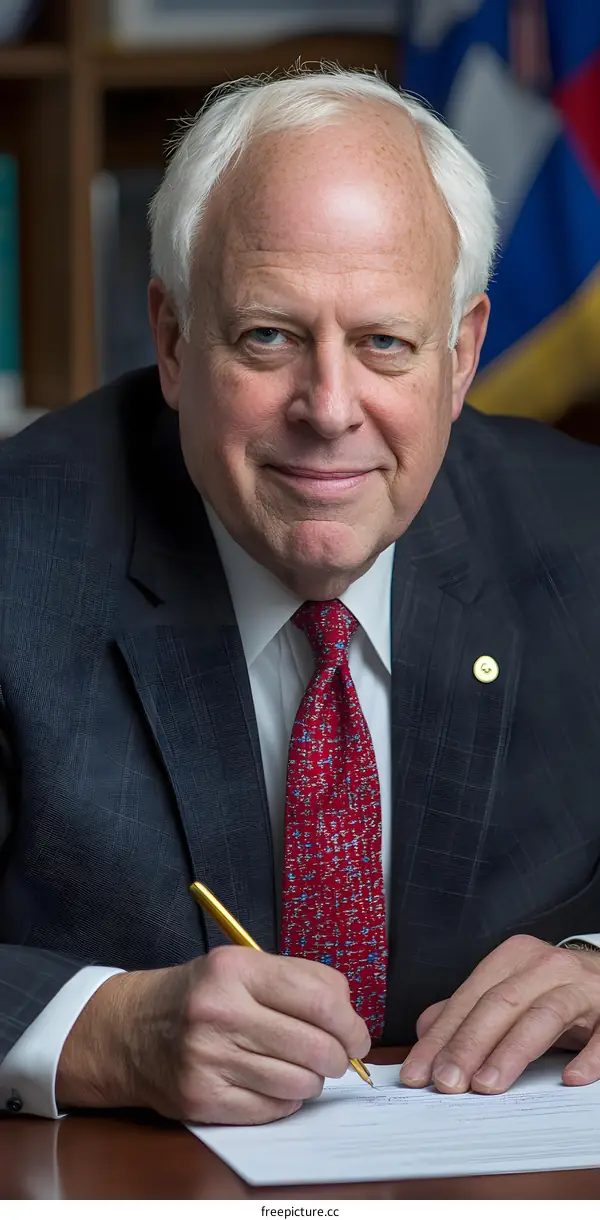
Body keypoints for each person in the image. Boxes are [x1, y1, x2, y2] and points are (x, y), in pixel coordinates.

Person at [1, 65, 600, 1128]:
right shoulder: (16, 553)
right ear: (176, 341)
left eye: (384, 343)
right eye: (268, 336)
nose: (329, 409)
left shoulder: (582, 534)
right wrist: (101, 1030)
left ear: (460, 355)